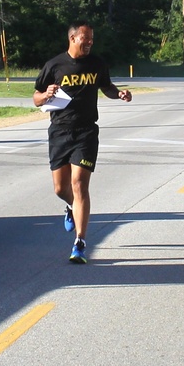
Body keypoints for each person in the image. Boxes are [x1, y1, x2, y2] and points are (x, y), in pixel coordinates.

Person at [34, 20, 132, 264]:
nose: (89, 43)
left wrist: (118, 94)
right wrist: (45, 95)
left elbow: (106, 87)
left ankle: (80, 242)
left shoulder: (97, 64)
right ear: (72, 38)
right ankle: (71, 207)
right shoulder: (54, 65)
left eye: (91, 40)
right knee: (60, 189)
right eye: (84, 39)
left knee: (79, 184)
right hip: (59, 132)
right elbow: (36, 98)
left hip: (86, 132)